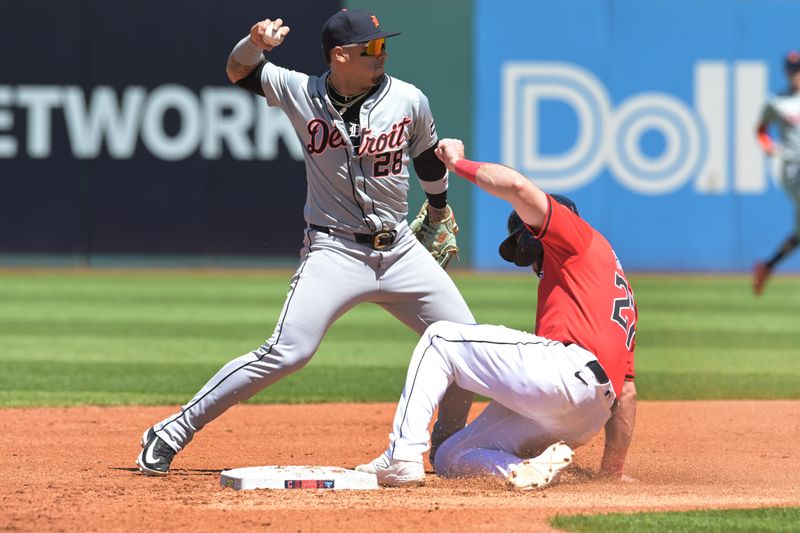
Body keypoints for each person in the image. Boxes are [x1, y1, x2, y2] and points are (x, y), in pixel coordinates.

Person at [136, 10, 476, 476]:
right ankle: (170, 431)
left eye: (383, 46)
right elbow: (239, 70)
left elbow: (426, 159)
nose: (383, 54)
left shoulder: (409, 99)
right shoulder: (300, 91)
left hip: (400, 250)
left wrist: (438, 210)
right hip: (335, 250)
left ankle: (448, 446)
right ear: (339, 56)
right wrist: (255, 43)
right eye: (370, 48)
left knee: (468, 345)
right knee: (287, 351)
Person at [357, 138, 638, 489]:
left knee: (440, 339)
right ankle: (523, 469)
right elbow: (626, 394)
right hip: (586, 417)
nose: (531, 262)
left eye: (527, 247)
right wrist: (611, 471)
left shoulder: (574, 237)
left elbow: (519, 187)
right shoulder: (615, 288)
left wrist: (458, 164)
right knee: (450, 456)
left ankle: (401, 456)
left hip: (567, 375)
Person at [753, 51, 800, 295]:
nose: (797, 74)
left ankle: (767, 267)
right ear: (787, 72)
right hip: (792, 168)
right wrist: (768, 146)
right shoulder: (777, 101)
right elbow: (760, 129)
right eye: (793, 69)